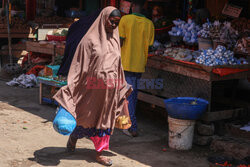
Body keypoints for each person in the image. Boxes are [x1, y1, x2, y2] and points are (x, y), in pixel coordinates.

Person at [53, 7, 132, 166]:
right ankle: (73, 137)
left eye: (117, 22)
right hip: (89, 90)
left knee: (105, 121)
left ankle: (100, 153)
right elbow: (78, 65)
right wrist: (75, 86)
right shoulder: (89, 40)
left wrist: (121, 88)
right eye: (111, 20)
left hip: (108, 92)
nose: (114, 25)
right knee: (84, 117)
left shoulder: (115, 40)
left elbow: (118, 66)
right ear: (103, 18)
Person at [119, 0, 155, 137]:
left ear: (133, 6)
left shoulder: (125, 20)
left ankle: (131, 127)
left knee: (128, 97)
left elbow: (119, 41)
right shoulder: (149, 24)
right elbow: (150, 45)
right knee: (130, 96)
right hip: (139, 65)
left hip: (126, 63)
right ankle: (124, 124)